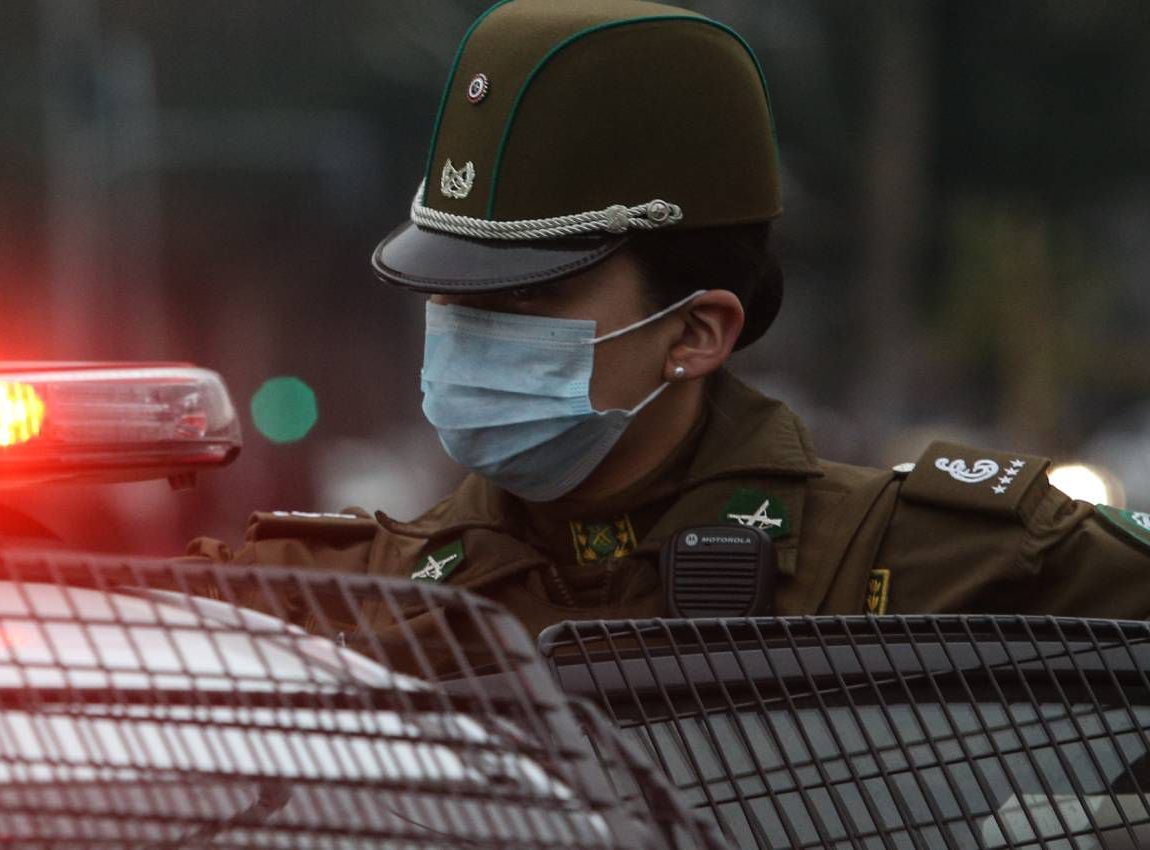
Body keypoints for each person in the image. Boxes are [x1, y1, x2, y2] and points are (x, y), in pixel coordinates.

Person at [187, 0, 1150, 637]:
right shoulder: (352, 604)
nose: (467, 335)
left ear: (698, 333)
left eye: (529, 298)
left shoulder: (910, 570)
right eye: (453, 297)